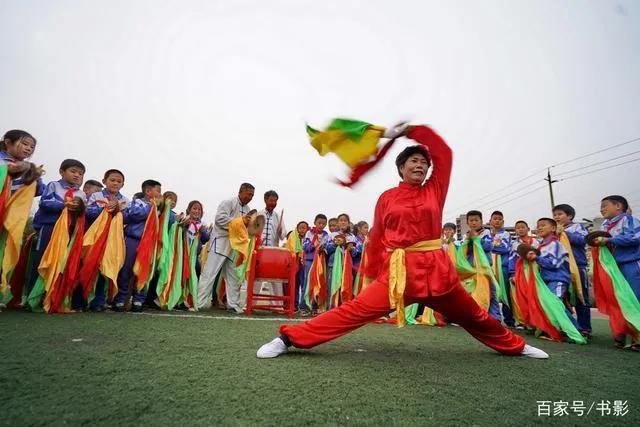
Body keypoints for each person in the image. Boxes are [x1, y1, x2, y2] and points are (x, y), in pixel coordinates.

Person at [257, 123, 547, 359]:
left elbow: (444, 153)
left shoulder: (435, 189)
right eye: (413, 161)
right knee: (353, 311)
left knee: (473, 315)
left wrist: (413, 132)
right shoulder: (387, 198)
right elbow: (378, 237)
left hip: (437, 273)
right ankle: (287, 339)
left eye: (424, 162)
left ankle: (517, 346)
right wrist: (375, 271)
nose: (420, 165)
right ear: (401, 168)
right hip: (399, 274)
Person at [28, 159, 86, 297]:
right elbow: (45, 202)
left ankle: (52, 295)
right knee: (42, 259)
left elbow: (83, 213)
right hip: (50, 227)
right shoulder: (53, 185)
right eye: (73, 171)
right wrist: (64, 205)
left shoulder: (82, 194)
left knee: (61, 262)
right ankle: (33, 296)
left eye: (80, 173)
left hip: (69, 231)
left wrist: (78, 208)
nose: (77, 175)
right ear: (61, 172)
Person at [197, 183, 254, 312]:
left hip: (235, 246)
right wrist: (240, 222)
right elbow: (220, 220)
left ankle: (233, 305)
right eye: (249, 194)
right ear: (241, 191)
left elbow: (245, 228)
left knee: (233, 276)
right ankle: (199, 303)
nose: (250, 197)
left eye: (252, 195)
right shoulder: (228, 202)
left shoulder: (248, 208)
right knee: (209, 273)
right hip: (221, 241)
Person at [112, 179, 163, 312]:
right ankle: (121, 299)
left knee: (143, 271)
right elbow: (135, 214)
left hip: (149, 243)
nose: (160, 194)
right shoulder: (138, 202)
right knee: (126, 270)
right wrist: (152, 207)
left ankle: (139, 299)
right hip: (133, 240)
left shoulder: (159, 207)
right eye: (158, 190)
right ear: (147, 191)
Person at [84, 169, 129, 311]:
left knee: (106, 267)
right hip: (95, 237)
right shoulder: (96, 195)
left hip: (113, 240)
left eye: (119, 181)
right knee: (89, 265)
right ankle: (82, 299)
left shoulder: (125, 200)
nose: (115, 183)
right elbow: (88, 212)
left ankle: (99, 301)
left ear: (123, 184)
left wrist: (118, 210)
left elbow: (128, 218)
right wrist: (106, 208)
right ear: (104, 181)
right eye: (112, 180)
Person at [552, 204, 591, 336]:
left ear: (569, 216)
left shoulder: (577, 227)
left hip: (578, 267)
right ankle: (569, 326)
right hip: (560, 269)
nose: (556, 217)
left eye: (560, 214)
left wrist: (564, 233)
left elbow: (583, 240)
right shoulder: (553, 231)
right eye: (555, 215)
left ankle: (585, 327)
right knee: (563, 297)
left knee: (581, 297)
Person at [463, 210, 502, 321]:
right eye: (471, 220)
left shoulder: (486, 233)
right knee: (472, 292)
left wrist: (476, 239)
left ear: (481, 221)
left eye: (476, 220)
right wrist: (469, 241)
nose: (474, 223)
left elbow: (489, 247)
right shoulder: (467, 236)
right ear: (467, 222)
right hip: (472, 269)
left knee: (490, 292)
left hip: (485, 268)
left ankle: (495, 318)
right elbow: (466, 251)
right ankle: (474, 316)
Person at [489, 210, 514, 327]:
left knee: (505, 293)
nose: (497, 221)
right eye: (495, 218)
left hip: (502, 267)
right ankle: (494, 317)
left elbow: (505, 249)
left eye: (499, 219)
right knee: (492, 292)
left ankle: (509, 319)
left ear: (503, 222)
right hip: (489, 266)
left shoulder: (506, 234)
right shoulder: (487, 234)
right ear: (490, 221)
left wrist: (489, 247)